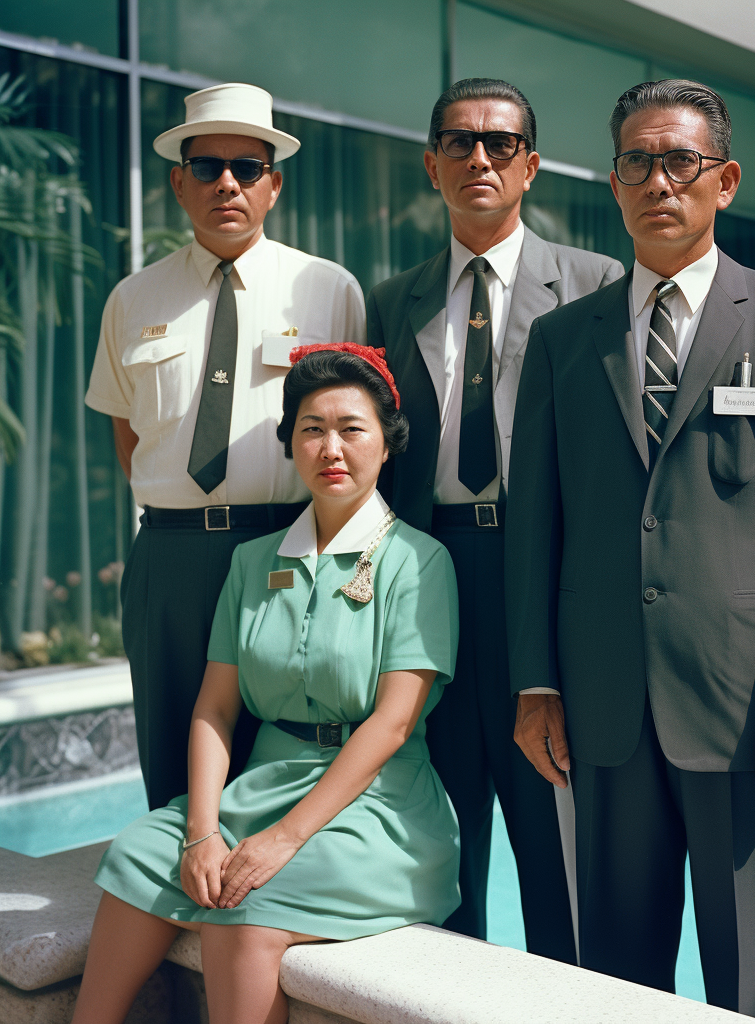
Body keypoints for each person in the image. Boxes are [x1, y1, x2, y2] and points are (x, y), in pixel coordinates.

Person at [505, 80, 755, 1023]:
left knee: (745, 974)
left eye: (680, 162)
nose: (658, 180)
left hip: (748, 707)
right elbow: (536, 519)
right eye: (637, 162)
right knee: (617, 970)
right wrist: (537, 683)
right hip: (603, 704)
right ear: (615, 183)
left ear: (725, 180)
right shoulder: (560, 338)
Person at [72, 346, 459, 1024]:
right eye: (311, 428)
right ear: (290, 443)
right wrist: (201, 831)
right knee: (138, 851)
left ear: (388, 443)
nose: (330, 447)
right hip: (260, 785)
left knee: (243, 910)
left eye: (351, 428)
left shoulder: (419, 563)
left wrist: (286, 838)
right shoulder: (253, 562)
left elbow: (393, 724)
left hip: (374, 804)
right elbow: (215, 709)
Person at [367, 78, 623, 962]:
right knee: (440, 818)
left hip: (545, 573)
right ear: (432, 163)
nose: (480, 158)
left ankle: (565, 993)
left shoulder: (600, 284)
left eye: (501, 144)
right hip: (429, 570)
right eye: (461, 142)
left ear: (532, 165)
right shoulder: (389, 298)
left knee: (552, 816)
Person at [85, 83, 365, 810]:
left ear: (274, 183)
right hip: (171, 559)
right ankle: (183, 901)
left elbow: (355, 425)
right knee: (173, 754)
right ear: (179, 182)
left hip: (285, 547)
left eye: (247, 166)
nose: (227, 184)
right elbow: (128, 431)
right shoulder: (132, 298)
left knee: (286, 746)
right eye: (206, 168)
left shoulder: (327, 289)